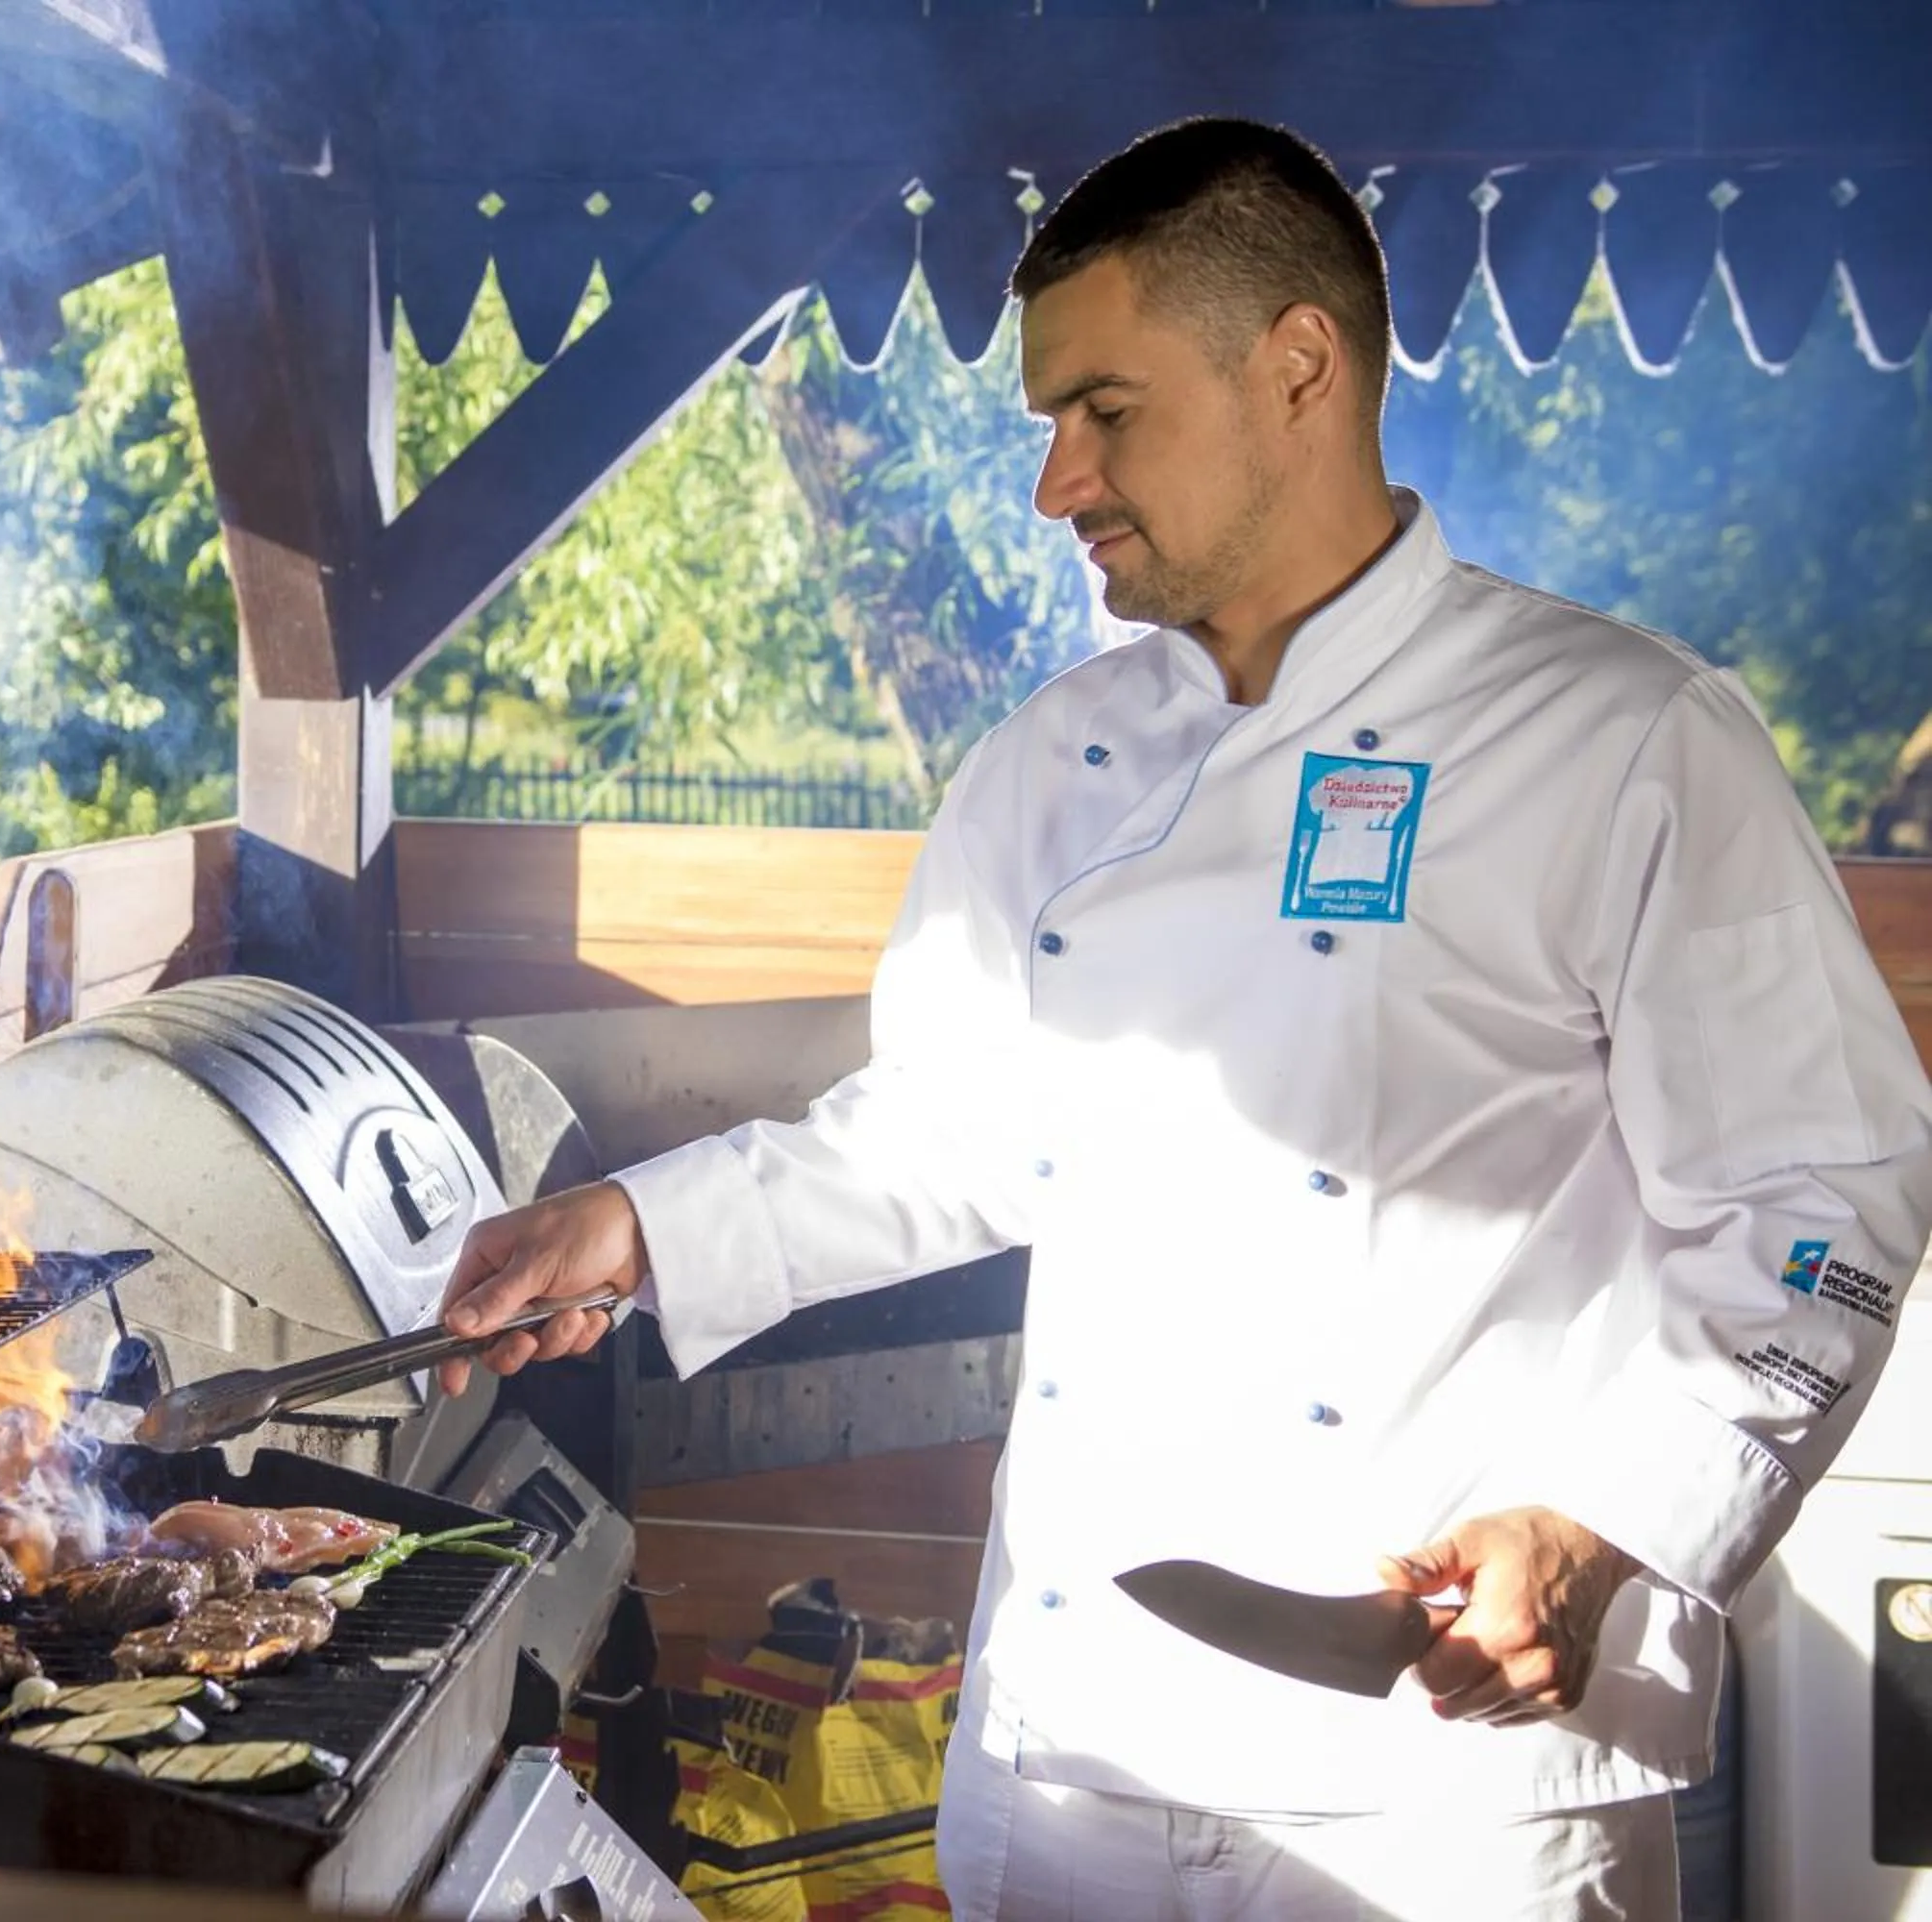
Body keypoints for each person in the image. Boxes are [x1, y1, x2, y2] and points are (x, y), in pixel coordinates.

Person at [433, 117, 1932, 1921]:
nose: (1057, 483)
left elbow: (1822, 1208)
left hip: (1442, 1796)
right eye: (1047, 424)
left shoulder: (1620, 739)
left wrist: (1607, 1525)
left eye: (1106, 411)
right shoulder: (1050, 765)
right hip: (1072, 1756)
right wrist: (639, 1227)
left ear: (1298, 366)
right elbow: (948, 1136)